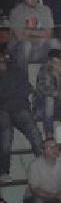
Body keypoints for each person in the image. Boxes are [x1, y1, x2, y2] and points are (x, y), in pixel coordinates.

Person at [0, 53, 43, 183]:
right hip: (2, 109)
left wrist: (7, 93)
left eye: (2, 58)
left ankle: (44, 164)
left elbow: (26, 89)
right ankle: (3, 172)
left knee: (34, 132)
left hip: (19, 107)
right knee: (6, 138)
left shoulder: (16, 70)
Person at [8, 0, 61, 72]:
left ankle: (55, 74)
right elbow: (20, 37)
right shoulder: (16, 12)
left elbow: (49, 34)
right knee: (26, 45)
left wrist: (29, 32)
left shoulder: (45, 10)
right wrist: (41, 34)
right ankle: (24, 78)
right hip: (19, 49)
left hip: (39, 46)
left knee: (55, 42)